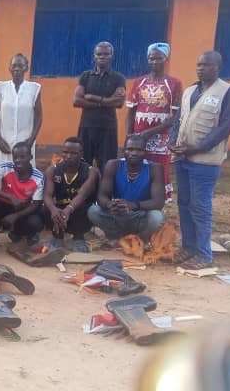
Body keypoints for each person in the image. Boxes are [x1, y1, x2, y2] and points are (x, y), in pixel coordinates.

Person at [169, 51, 230, 270]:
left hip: (205, 161)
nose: (201, 68)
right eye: (199, 64)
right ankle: (189, 248)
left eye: (207, 65)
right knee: (184, 204)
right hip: (182, 157)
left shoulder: (227, 91)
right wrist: (172, 140)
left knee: (200, 207)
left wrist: (199, 147)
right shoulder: (190, 90)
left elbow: (225, 126)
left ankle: (204, 255)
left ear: (218, 67)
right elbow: (178, 120)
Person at [88, 134, 166, 250]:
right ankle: (116, 238)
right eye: (130, 149)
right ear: (123, 151)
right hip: (118, 213)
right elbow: (102, 195)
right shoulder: (113, 165)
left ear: (145, 152)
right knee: (93, 211)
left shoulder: (154, 168)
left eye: (139, 150)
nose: (134, 153)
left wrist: (133, 205)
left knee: (157, 217)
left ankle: (140, 240)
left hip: (141, 215)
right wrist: (110, 204)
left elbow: (158, 202)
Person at [126, 43, 183, 200]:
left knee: (159, 171)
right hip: (138, 137)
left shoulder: (174, 83)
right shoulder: (139, 82)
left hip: (161, 138)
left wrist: (149, 133)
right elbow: (131, 112)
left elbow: (176, 116)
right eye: (151, 58)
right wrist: (129, 136)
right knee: (138, 169)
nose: (154, 62)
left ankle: (157, 206)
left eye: (159, 58)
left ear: (166, 59)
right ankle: (138, 203)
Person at [0, 142, 45, 251]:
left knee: (36, 223)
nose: (18, 160)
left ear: (30, 157)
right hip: (3, 205)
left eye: (22, 157)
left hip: (21, 209)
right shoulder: (4, 167)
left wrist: (15, 216)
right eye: (15, 157)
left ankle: (18, 233)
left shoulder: (38, 177)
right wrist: (11, 197)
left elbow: (36, 204)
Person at [74, 42, 127, 170]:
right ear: (94, 56)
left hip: (108, 128)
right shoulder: (86, 76)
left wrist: (93, 98)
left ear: (112, 56)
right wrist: (106, 101)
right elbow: (77, 101)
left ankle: (104, 185)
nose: (102, 57)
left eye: (106, 54)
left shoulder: (118, 78)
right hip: (86, 126)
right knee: (83, 165)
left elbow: (119, 103)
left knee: (107, 166)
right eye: (99, 54)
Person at [42, 137, 99, 252]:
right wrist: (53, 209)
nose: (68, 156)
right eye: (65, 152)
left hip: (79, 211)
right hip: (60, 211)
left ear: (81, 154)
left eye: (73, 153)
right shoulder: (52, 171)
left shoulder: (91, 172)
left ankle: (79, 238)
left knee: (84, 208)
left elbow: (82, 195)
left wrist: (68, 209)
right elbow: (47, 195)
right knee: (46, 208)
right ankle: (57, 237)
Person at [0, 53, 42, 169]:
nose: (17, 69)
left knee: (23, 173)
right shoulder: (0, 88)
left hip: (25, 142)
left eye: (20, 66)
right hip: (4, 141)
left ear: (26, 68)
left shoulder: (34, 89)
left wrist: (31, 140)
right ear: (10, 68)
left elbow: (39, 116)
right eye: (14, 66)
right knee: (1, 173)